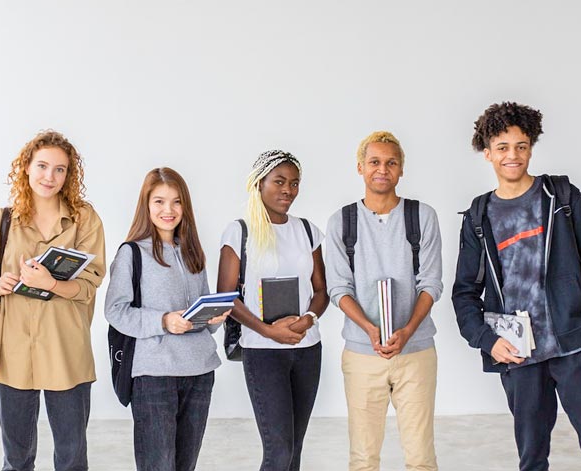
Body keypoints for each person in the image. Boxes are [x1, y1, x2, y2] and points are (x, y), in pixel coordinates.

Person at [452, 102, 581, 470]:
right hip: (520, 354)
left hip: (574, 345)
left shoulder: (561, 197)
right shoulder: (480, 216)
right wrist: (488, 340)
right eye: (503, 148)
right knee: (532, 457)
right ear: (487, 153)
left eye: (521, 146)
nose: (513, 155)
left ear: (531, 147)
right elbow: (464, 292)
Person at [0, 130, 105, 471]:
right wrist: (0, 284)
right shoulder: (1, 221)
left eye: (60, 169)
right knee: (16, 459)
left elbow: (90, 285)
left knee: (72, 458)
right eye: (42, 166)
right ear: (26, 167)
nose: (50, 176)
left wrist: (50, 284)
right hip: (11, 351)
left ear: (69, 175)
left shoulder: (84, 219)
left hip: (65, 348)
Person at [325, 131, 443, 471]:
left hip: (416, 351)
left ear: (401, 169)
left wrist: (406, 330)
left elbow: (431, 283)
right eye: (374, 162)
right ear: (360, 168)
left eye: (391, 162)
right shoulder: (341, 222)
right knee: (363, 457)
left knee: (421, 457)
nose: (382, 169)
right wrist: (369, 329)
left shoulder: (422, 217)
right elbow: (339, 288)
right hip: (362, 353)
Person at [105, 167, 230, 471]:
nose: (168, 210)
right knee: (158, 466)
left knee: (185, 465)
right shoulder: (131, 253)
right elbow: (115, 311)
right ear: (146, 206)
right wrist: (163, 321)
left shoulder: (193, 253)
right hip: (154, 376)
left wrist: (215, 319)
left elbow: (199, 316)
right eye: (159, 201)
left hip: (200, 372)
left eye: (176, 202)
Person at [216, 150, 328, 471]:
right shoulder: (240, 232)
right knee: (278, 452)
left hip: (307, 349)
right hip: (263, 352)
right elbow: (226, 296)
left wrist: (308, 320)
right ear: (259, 183)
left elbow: (321, 290)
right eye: (279, 181)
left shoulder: (307, 230)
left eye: (294, 183)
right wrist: (267, 330)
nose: (287, 190)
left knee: (293, 450)